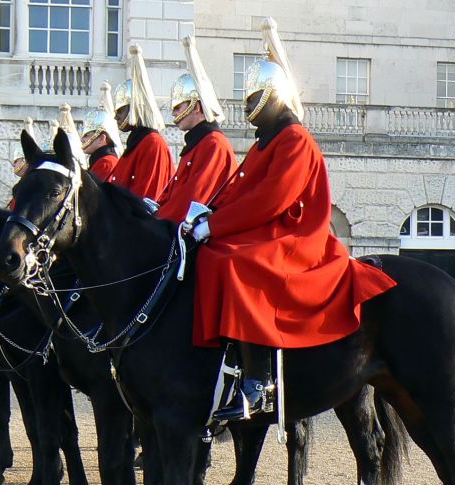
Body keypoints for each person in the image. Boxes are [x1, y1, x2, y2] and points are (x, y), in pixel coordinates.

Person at [186, 19, 397, 422]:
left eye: (255, 101)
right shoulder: (268, 142)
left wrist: (216, 225)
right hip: (271, 229)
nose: (249, 110)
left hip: (298, 236)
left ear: (275, 97)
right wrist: (209, 212)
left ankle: (258, 381)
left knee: (236, 264)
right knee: (210, 256)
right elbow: (239, 190)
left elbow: (271, 199)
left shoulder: (295, 139)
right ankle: (220, 360)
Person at [155, 36, 237, 223]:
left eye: (178, 107)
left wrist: (159, 220)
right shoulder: (198, 143)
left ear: (197, 106)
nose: (174, 113)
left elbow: (195, 195)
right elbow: (174, 190)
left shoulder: (214, 144)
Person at [109, 44, 174, 200]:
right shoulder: (137, 142)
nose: (116, 116)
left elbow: (147, 198)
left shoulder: (153, 143)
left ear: (135, 108)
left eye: (120, 110)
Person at [81, 82, 122, 181]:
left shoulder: (106, 163)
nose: (82, 139)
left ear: (102, 138)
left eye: (87, 135)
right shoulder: (99, 160)